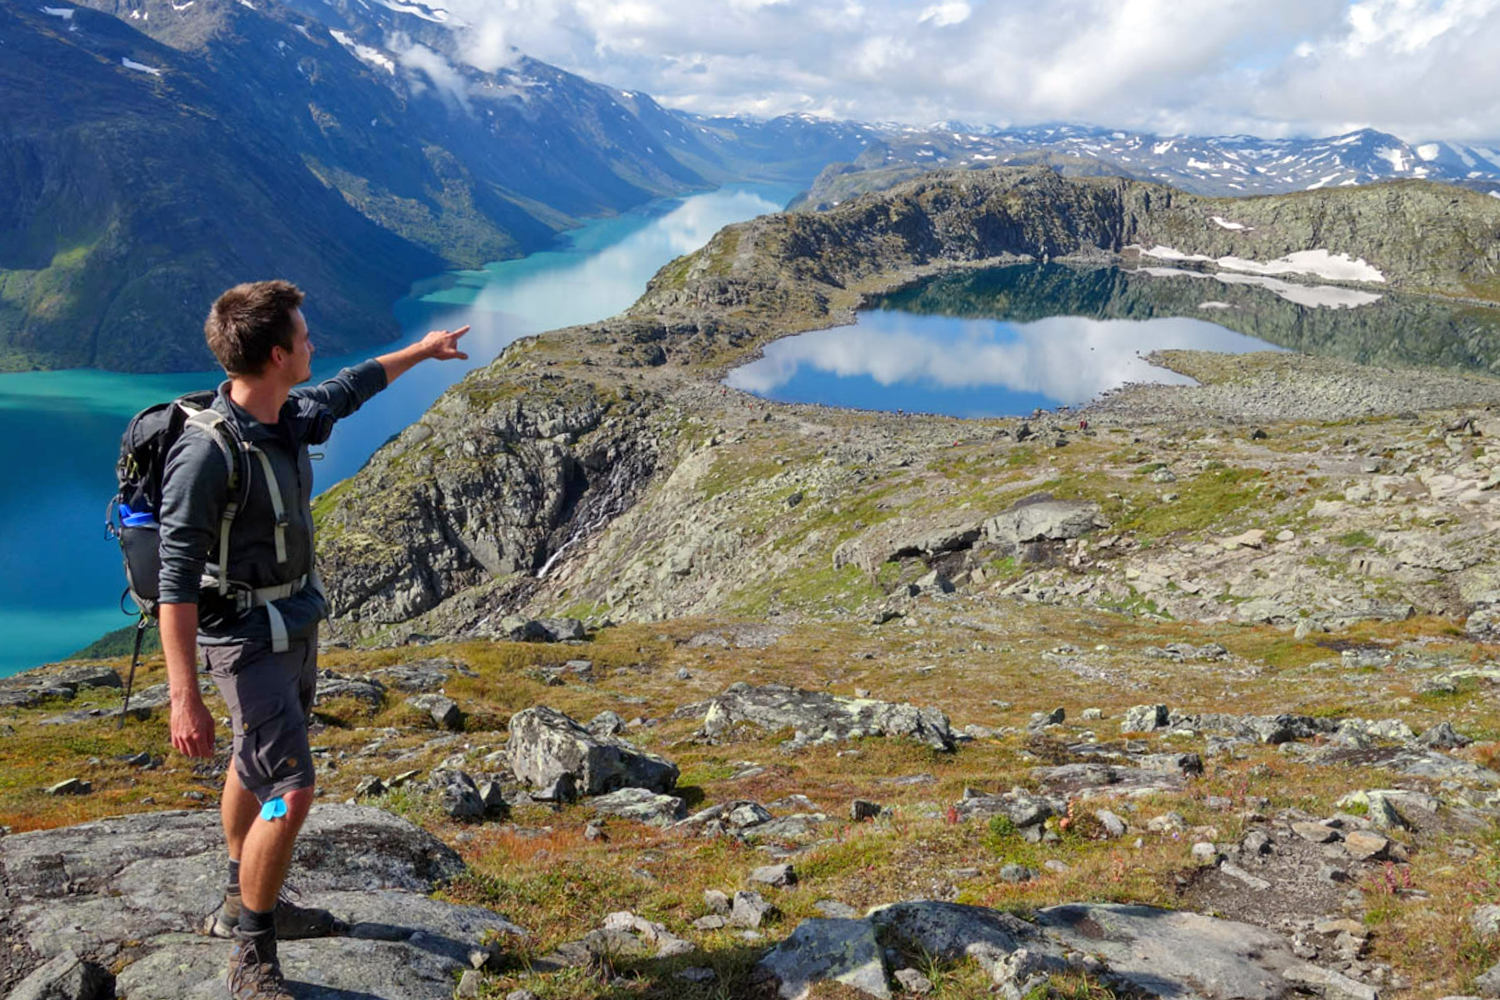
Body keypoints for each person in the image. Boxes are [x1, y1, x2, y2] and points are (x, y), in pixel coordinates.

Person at [159, 280, 469, 999]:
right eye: (303, 337)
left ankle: (243, 895)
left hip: (294, 621)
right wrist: (183, 697)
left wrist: (422, 352)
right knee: (291, 792)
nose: (313, 344)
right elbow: (175, 582)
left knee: (254, 760)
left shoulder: (289, 415)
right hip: (243, 640)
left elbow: (352, 386)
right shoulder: (207, 455)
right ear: (275, 355)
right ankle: (253, 953)